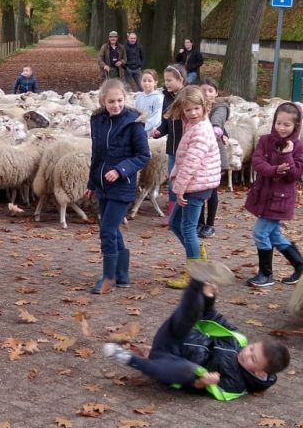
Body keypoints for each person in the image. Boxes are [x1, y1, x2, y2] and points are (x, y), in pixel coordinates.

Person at [103, 261, 289, 401]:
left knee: (187, 371)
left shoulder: (236, 385)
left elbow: (196, 387)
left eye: (253, 359)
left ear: (260, 373)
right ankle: (198, 281)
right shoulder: (238, 340)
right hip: (173, 340)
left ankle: (129, 359)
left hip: (175, 363)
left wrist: (203, 381)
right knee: (191, 316)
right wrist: (209, 297)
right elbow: (211, 316)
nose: (246, 353)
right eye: (251, 348)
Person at [84, 79, 150, 294]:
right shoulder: (98, 121)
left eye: (120, 100)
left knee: (107, 230)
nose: (116, 105)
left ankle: (108, 277)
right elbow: (97, 154)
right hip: (103, 185)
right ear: (103, 100)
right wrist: (92, 182)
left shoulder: (134, 123)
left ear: (125, 99)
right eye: (111, 101)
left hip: (123, 185)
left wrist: (121, 170)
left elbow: (143, 155)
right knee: (111, 229)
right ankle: (122, 275)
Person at [165, 85, 221, 289]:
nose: (193, 113)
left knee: (188, 229)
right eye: (188, 110)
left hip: (196, 186)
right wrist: (175, 176)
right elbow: (184, 159)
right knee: (175, 224)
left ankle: (195, 275)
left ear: (204, 107)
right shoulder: (191, 125)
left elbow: (191, 163)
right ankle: (198, 252)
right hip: (191, 183)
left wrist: (179, 189)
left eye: (196, 108)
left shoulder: (202, 131)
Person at [243, 102, 303, 287]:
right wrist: (275, 169)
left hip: (280, 200)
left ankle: (266, 274)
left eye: (287, 124)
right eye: (279, 123)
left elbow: (295, 175)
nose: (281, 128)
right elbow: (257, 162)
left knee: (260, 233)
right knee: (274, 235)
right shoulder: (265, 140)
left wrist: (287, 155)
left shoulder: (299, 147)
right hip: (263, 195)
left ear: (295, 126)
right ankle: (300, 265)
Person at [149, 63, 187, 225]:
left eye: (170, 80)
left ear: (181, 80)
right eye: (165, 80)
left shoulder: (188, 97)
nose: (166, 83)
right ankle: (173, 216)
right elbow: (167, 120)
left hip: (187, 148)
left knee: (185, 182)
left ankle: (186, 216)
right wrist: (159, 131)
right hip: (172, 147)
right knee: (173, 180)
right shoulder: (166, 97)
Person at [199, 78, 228, 239]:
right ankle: (200, 222)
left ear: (216, 93)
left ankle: (210, 224)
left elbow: (219, 120)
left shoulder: (220, 107)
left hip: (214, 156)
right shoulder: (196, 107)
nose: (207, 94)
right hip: (198, 155)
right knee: (198, 190)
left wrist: (218, 129)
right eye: (203, 90)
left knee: (212, 191)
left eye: (210, 91)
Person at [135, 69, 163, 133]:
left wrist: (145, 126)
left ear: (155, 82)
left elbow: (157, 117)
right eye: (144, 81)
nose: (146, 83)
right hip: (139, 128)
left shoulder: (159, 98)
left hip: (152, 130)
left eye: (150, 81)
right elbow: (135, 112)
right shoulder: (139, 97)